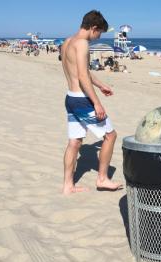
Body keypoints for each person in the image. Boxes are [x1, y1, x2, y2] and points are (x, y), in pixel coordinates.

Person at [60, 10, 121, 194]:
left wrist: (102, 85)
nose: (98, 36)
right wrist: (97, 102)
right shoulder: (83, 44)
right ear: (93, 28)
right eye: (99, 32)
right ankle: (102, 178)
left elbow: (82, 72)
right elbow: (82, 76)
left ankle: (68, 185)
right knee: (110, 136)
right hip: (82, 101)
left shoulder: (67, 42)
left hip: (70, 98)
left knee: (74, 142)